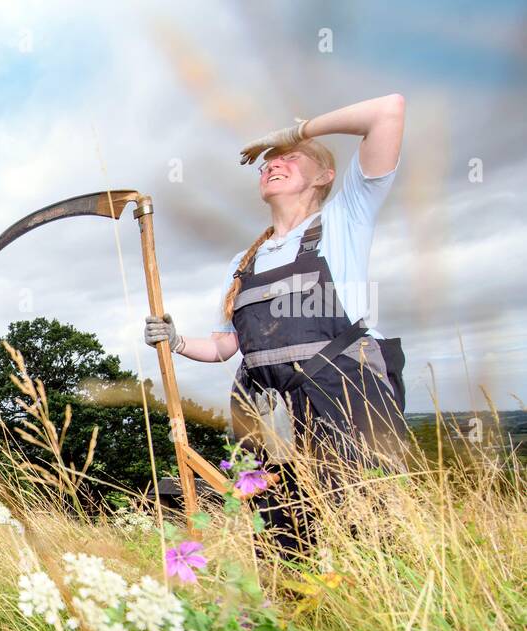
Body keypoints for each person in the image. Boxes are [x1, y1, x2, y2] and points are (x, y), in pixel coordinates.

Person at [145, 94, 410, 550]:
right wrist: (175, 339)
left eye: (290, 158)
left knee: (368, 534)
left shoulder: (345, 220)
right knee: (281, 544)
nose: (272, 164)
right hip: (265, 411)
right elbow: (225, 347)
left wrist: (298, 131)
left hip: (343, 397)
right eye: (268, 163)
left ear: (326, 176)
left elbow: (389, 110)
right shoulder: (243, 261)